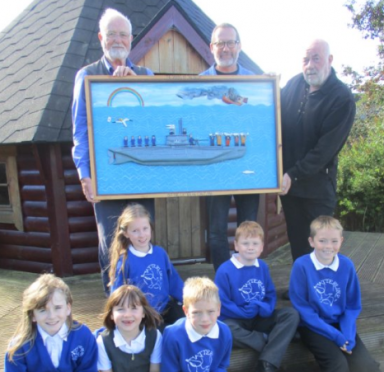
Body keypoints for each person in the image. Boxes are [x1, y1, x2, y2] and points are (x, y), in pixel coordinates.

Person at [72, 8, 154, 295]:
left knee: (142, 239)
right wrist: (85, 175)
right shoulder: (86, 76)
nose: (118, 39)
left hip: (142, 175)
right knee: (110, 244)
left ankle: (145, 302)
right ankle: (115, 306)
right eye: (111, 34)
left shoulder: (146, 74)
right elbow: (80, 131)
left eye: (123, 34)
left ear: (131, 39)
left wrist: (138, 84)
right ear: (100, 38)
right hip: (106, 176)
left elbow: (155, 121)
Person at [279, 39, 356, 275]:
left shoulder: (342, 98)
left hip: (318, 188)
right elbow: (272, 119)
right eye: (305, 59)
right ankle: (302, 287)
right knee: (297, 241)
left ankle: (323, 292)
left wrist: (292, 173)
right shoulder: (293, 85)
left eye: (316, 58)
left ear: (330, 60)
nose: (310, 65)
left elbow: (325, 150)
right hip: (290, 187)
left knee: (322, 244)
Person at [200, 23, 260, 271]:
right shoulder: (201, 84)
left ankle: (246, 277)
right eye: (220, 43)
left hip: (247, 165)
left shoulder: (256, 84)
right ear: (211, 48)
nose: (225, 48)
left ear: (239, 46)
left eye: (230, 42)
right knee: (215, 232)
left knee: (249, 228)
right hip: (215, 167)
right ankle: (224, 282)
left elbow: (262, 125)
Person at [289, 216, 381, 372]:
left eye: (334, 241)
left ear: (341, 241)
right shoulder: (301, 265)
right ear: (311, 241)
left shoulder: (346, 265)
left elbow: (352, 306)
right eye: (322, 240)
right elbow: (303, 308)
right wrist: (336, 336)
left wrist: (348, 335)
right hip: (312, 326)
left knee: (367, 368)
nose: (328, 246)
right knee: (338, 366)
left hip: (340, 323)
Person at [215, 221, 299, 372]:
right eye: (245, 243)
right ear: (236, 245)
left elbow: (270, 294)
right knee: (224, 329)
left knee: (291, 315)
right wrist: (242, 312)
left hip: (259, 317)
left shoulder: (262, 266)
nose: (250, 247)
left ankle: (266, 364)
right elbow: (221, 302)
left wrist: (264, 307)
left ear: (261, 247)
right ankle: (269, 345)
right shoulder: (225, 270)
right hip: (235, 319)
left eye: (255, 243)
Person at [108, 203, 184, 327]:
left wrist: (190, 301)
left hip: (165, 308)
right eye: (135, 231)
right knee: (159, 335)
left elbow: (174, 283)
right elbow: (117, 294)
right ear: (126, 233)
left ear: (150, 228)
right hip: (140, 315)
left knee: (187, 323)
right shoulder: (124, 261)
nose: (142, 234)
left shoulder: (160, 253)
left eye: (145, 228)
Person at [5, 274, 97, 372]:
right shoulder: (19, 347)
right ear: (32, 315)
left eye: (57, 308)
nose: (52, 316)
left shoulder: (83, 336)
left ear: (68, 308)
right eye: (42, 310)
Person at [161, 277, 232, 372]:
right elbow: (169, 369)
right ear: (186, 311)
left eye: (210, 311)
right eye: (196, 312)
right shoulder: (173, 335)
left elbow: (221, 365)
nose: (204, 319)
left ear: (218, 309)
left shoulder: (224, 332)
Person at [95, 284, 162, 372]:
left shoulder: (155, 336)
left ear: (143, 313)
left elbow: (155, 370)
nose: (127, 315)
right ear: (111, 314)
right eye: (120, 309)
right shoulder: (103, 342)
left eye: (134, 308)